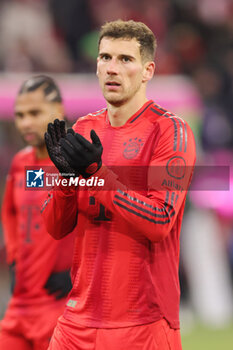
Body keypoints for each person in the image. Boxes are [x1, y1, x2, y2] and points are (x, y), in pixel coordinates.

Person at [42, 20, 196, 350]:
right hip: (75, 324)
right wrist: (67, 180)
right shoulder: (83, 128)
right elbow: (55, 227)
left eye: (125, 59)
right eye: (105, 57)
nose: (113, 68)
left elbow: (159, 222)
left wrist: (97, 174)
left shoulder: (170, 131)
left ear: (147, 71)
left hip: (143, 325)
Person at [0, 76, 75, 350]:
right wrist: (13, 259)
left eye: (34, 113)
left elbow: (102, 223)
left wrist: (77, 273)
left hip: (61, 306)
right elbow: (9, 212)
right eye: (20, 115)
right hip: (20, 303)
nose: (26, 123)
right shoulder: (22, 162)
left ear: (59, 111)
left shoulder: (76, 161)